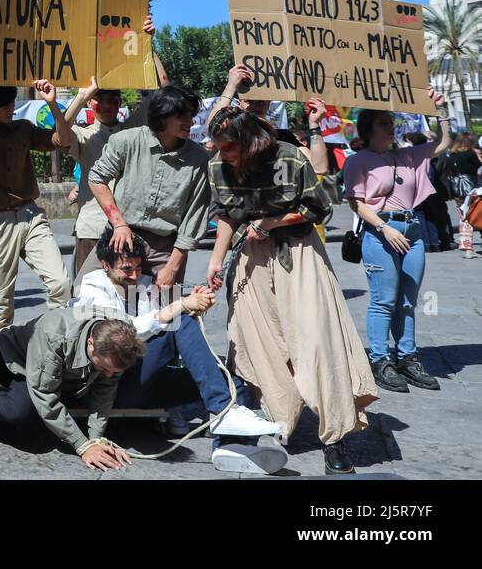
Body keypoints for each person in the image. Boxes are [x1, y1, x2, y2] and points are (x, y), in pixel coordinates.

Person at [206, 107, 378, 476]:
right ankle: (277, 421)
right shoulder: (218, 167)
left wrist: (269, 221)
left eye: (230, 147)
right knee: (257, 342)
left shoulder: (287, 156)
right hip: (251, 255)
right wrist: (216, 261)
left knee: (318, 342)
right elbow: (225, 214)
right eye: (219, 147)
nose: (223, 154)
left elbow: (317, 207)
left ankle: (335, 438)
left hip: (298, 254)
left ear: (249, 142)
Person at [70, 223, 286, 473]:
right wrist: (179, 307)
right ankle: (219, 411)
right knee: (179, 321)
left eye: (139, 267)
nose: (134, 275)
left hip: (145, 379)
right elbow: (122, 332)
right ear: (106, 265)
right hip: (113, 385)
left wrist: (195, 302)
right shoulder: (92, 287)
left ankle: (229, 447)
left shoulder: (142, 283)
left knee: (235, 384)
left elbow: (166, 322)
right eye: (127, 269)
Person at [0, 310, 143, 470]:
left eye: (112, 371)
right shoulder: (55, 335)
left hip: (35, 373)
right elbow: (45, 395)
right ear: (91, 342)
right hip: (9, 353)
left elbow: (105, 390)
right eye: (102, 368)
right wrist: (82, 445)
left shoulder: (120, 347)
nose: (107, 375)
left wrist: (96, 440)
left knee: (17, 412)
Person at [344, 92, 453, 393]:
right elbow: (357, 203)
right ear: (368, 129)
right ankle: (380, 361)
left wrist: (440, 108)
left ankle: (407, 358)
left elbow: (443, 143)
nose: (390, 127)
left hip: (413, 231)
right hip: (380, 233)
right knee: (383, 300)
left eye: (391, 122)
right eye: (383, 123)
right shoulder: (358, 161)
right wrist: (384, 228)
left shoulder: (407, 155)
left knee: (407, 302)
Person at [53, 16, 169, 272]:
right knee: (86, 299)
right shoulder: (85, 135)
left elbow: (162, 92)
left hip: (131, 227)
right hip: (93, 227)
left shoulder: (134, 129)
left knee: (129, 296)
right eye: (99, 100)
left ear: (119, 102)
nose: (106, 105)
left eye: (112, 99)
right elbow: (59, 136)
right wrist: (82, 97)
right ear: (92, 104)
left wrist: (150, 45)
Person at [0, 74, 70, 332]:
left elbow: (63, 141)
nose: (10, 110)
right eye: (3, 106)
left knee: (60, 285)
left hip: (31, 216)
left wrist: (53, 104)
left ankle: (53, 343)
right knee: (2, 303)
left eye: (12, 103)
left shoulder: (24, 128)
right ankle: (1, 361)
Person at [77, 84, 210, 290]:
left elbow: (194, 217)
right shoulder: (126, 141)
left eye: (191, 115)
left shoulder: (199, 158)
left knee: (164, 315)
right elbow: (96, 178)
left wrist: (173, 268)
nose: (190, 122)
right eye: (182, 116)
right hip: (118, 239)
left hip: (165, 248)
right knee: (83, 296)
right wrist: (119, 224)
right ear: (163, 116)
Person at [437, 133, 480, 259]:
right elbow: (479, 166)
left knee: (464, 216)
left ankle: (465, 245)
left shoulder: (450, 156)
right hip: (471, 189)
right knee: (473, 215)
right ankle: (468, 248)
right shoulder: (470, 154)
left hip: (458, 191)